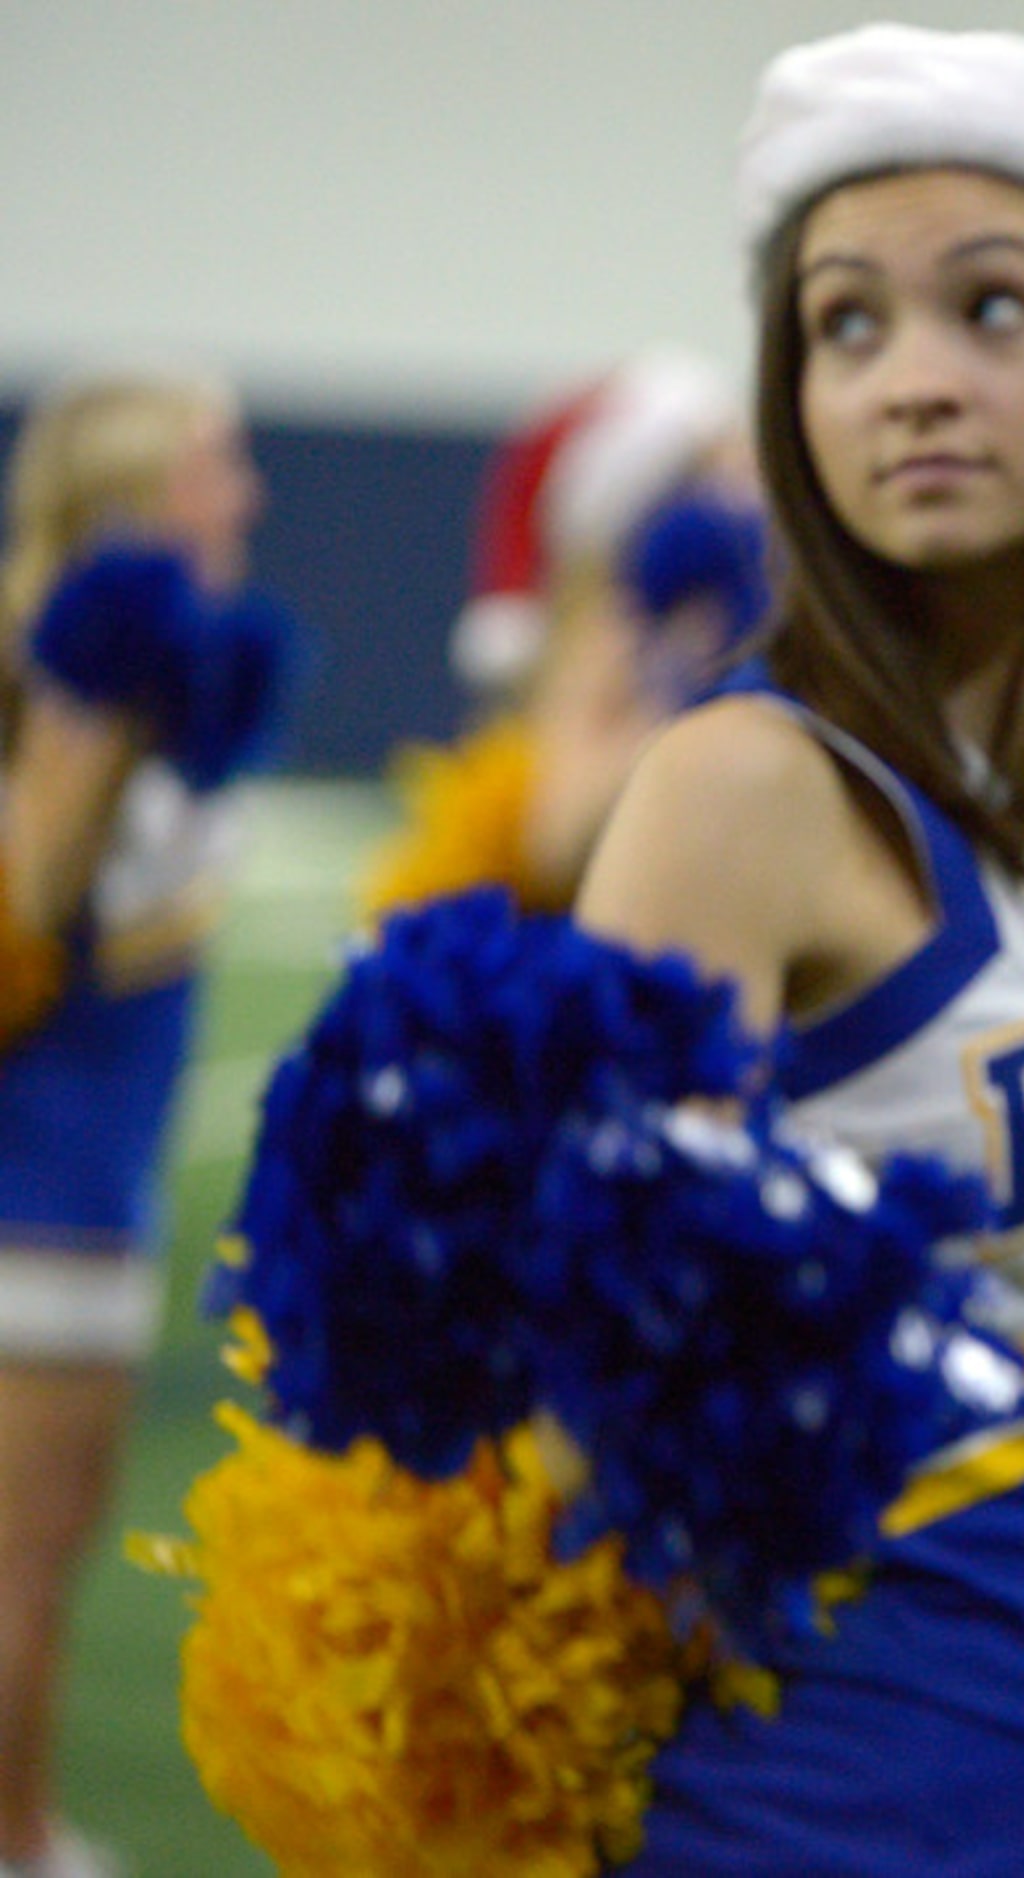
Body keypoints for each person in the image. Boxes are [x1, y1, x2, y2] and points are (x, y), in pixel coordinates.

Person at [565, 24, 1024, 1874]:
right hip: (780, 1795)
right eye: (847, 324)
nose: (909, 383)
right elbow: (574, 1385)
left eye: (993, 310)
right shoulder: (747, 790)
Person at [0, 367, 277, 1878]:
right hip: (39, 1209)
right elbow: (30, 918)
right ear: (138, 492)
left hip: (83, 1200)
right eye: (215, 464)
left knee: (32, 1563)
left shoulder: (135, 680)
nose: (242, 493)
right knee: (22, 1571)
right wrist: (91, 726)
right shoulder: (84, 683)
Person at [362, 347, 762, 917]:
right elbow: (560, 844)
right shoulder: (613, 630)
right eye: (712, 475)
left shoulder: (746, 613)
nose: (741, 496)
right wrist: (679, 723)